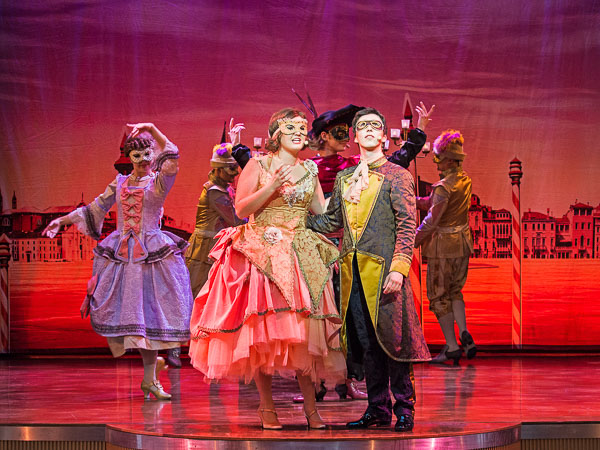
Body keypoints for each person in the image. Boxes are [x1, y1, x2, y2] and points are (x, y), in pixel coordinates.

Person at [188, 108, 346, 430]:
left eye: (302, 128)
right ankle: (266, 407)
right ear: (276, 134)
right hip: (264, 253)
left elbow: (321, 210)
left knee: (303, 332)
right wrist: (272, 185)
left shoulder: (309, 169)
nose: (299, 132)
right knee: (263, 332)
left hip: (299, 253)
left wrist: (348, 193)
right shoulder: (258, 165)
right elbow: (242, 208)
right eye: (291, 128)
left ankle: (312, 410)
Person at [43, 123, 194, 400]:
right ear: (129, 157)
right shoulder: (120, 183)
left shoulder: (158, 182)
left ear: (153, 155)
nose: (143, 160)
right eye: (137, 156)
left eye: (148, 154)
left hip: (151, 255)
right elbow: (95, 207)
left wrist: (152, 129)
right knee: (136, 319)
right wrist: (62, 220)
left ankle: (150, 379)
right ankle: (150, 378)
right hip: (124, 256)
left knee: (150, 317)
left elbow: (172, 155)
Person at [307, 107, 432, 432]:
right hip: (353, 275)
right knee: (368, 343)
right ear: (356, 135)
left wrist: (399, 268)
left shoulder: (397, 175)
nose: (369, 130)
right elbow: (331, 221)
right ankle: (377, 408)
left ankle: (404, 408)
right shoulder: (346, 178)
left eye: (375, 125)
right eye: (362, 126)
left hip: (385, 271)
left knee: (395, 342)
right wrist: (295, 220)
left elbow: (407, 225)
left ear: (383, 135)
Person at [414, 129, 476, 365]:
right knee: (455, 291)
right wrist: (412, 200)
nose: (436, 161)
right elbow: (433, 204)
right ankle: (463, 332)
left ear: (450, 160)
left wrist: (412, 241)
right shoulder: (464, 180)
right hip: (462, 244)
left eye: (439, 157)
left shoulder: (443, 186)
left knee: (438, 297)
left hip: (443, 247)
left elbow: (432, 220)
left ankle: (451, 346)